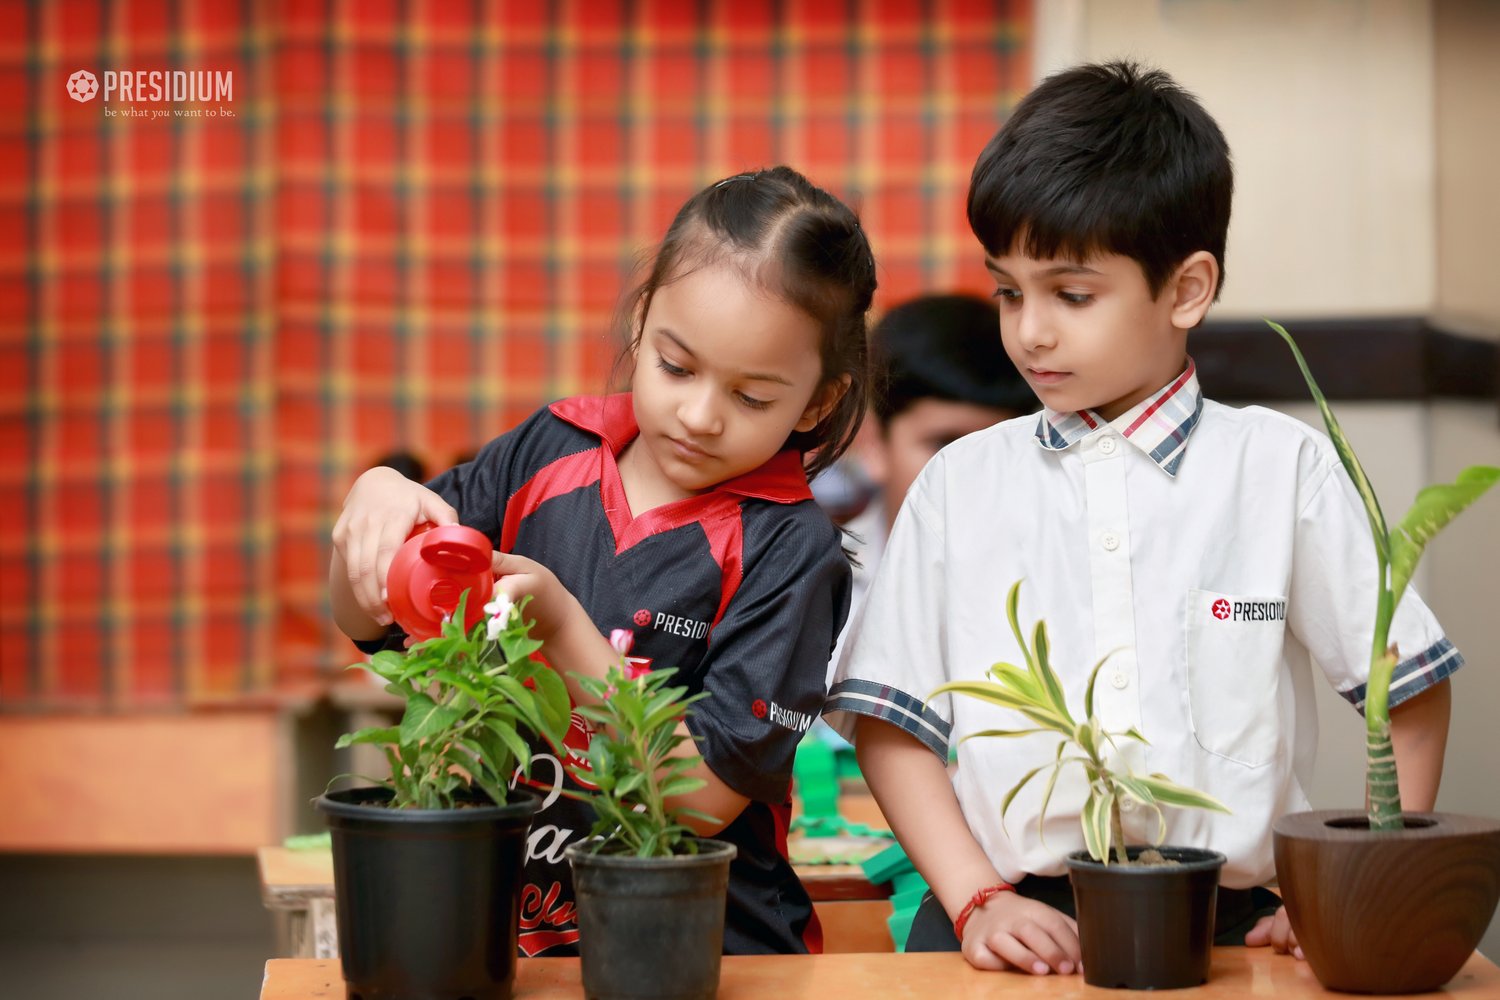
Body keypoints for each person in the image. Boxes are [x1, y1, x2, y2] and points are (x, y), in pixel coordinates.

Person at [824, 61, 1458, 976]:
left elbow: (1408, 687)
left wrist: (1347, 885)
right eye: (1009, 291)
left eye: (1071, 295)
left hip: (1236, 928)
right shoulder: (961, 484)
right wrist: (974, 896)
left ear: (1188, 289)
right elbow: (892, 722)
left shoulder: (1279, 468)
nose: (1029, 331)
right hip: (1011, 926)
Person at [330, 165, 876, 957]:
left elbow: (698, 797)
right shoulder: (547, 449)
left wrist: (559, 624)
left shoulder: (791, 548)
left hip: (706, 951)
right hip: (512, 936)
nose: (699, 415)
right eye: (676, 366)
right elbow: (375, 624)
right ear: (642, 318)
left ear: (819, 401)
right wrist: (375, 508)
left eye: (753, 397)